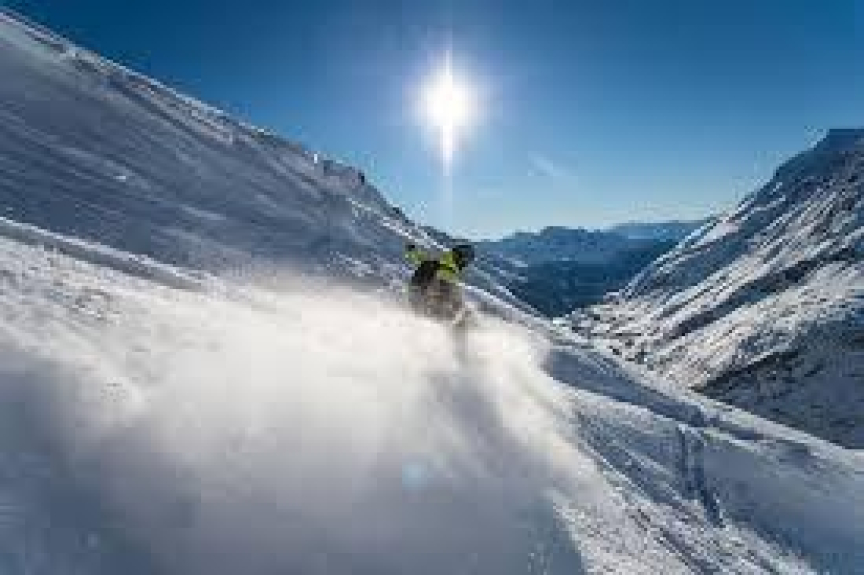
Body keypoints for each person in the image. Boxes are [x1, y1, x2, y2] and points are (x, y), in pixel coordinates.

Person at [405, 242, 475, 321]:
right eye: (466, 261)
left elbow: (420, 259)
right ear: (461, 259)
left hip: (415, 292)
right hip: (424, 298)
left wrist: (412, 251)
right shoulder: (449, 270)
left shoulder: (439, 259)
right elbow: (446, 289)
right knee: (453, 311)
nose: (465, 265)